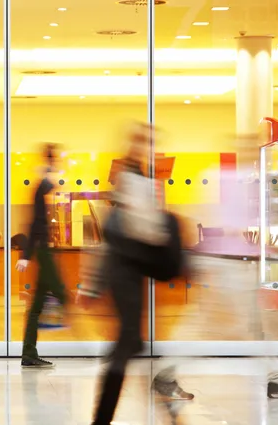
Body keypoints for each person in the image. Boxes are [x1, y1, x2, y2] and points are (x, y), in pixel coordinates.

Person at [152, 134, 278, 400]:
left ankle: (277, 381)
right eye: (249, 147)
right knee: (240, 326)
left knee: (238, 325)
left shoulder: (224, 178)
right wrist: (274, 249)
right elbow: (232, 232)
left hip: (223, 263)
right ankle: (277, 381)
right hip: (228, 267)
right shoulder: (233, 181)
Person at [89, 122, 184, 425]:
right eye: (147, 142)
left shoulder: (135, 176)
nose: (151, 148)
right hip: (124, 274)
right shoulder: (131, 177)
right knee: (127, 344)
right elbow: (132, 230)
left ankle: (159, 396)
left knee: (133, 343)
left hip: (130, 273)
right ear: (137, 145)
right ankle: (104, 417)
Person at [15, 143, 67, 368]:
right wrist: (26, 255)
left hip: (44, 251)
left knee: (36, 306)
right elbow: (35, 223)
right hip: (43, 252)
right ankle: (93, 345)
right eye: (53, 162)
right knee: (63, 297)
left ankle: (29, 353)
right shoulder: (41, 188)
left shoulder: (44, 188)